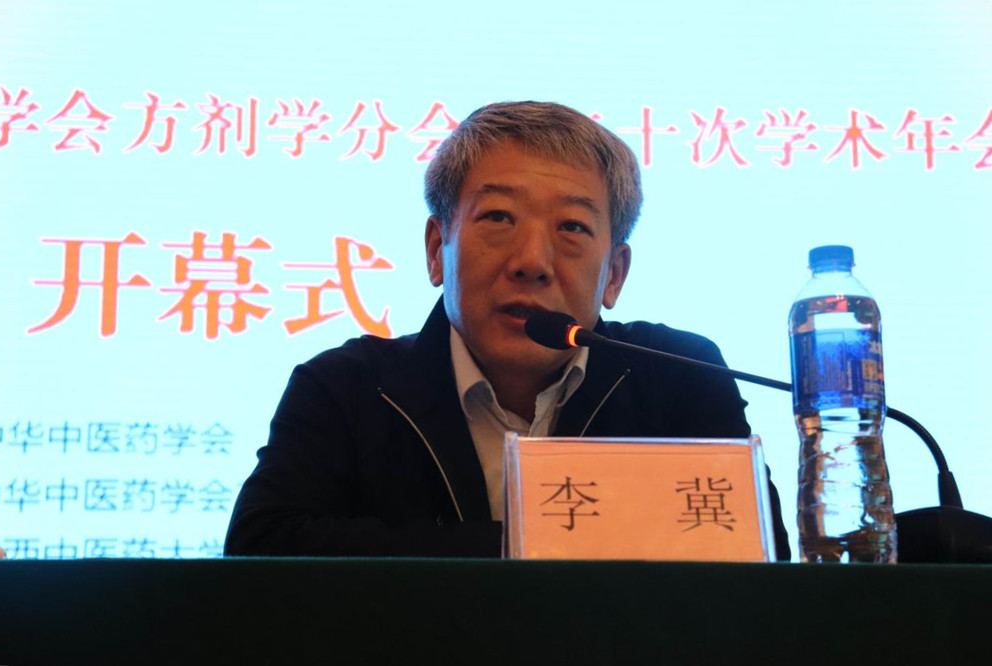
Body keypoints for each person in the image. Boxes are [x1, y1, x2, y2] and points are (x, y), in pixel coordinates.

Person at [225, 101, 790, 560]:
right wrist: (538, 548)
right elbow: (261, 548)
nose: (531, 262)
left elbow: (760, 559)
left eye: (572, 227)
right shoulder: (346, 387)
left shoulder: (680, 377)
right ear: (436, 250)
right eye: (498, 217)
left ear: (614, 274)